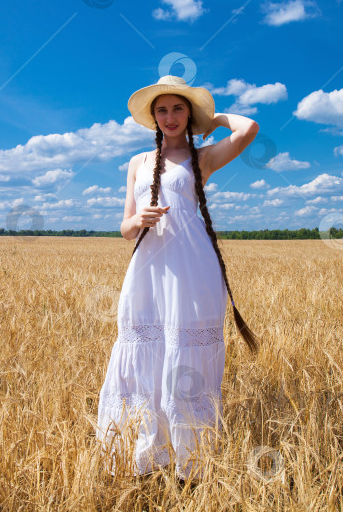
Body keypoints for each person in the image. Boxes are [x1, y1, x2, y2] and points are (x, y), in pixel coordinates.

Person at [96, 74, 260, 484]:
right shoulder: (137, 163)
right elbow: (125, 228)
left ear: (189, 114)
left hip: (193, 270)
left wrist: (213, 118)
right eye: (162, 110)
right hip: (148, 269)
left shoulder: (201, 158)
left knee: (184, 352)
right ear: (153, 117)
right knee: (145, 351)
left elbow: (249, 129)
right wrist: (138, 219)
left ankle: (190, 465)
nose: (170, 117)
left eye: (178, 108)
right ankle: (146, 458)